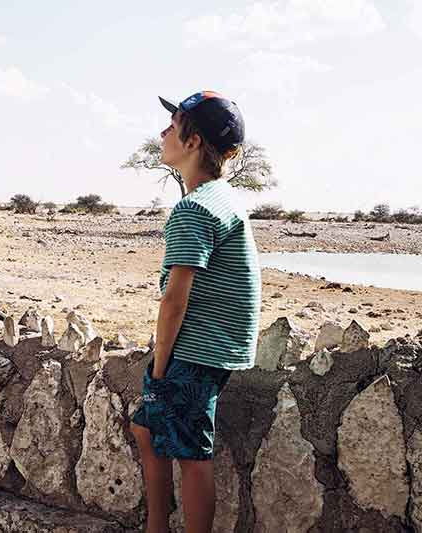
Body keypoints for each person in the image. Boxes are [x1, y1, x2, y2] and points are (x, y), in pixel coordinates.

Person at [129, 91, 260, 533]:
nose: (162, 133)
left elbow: (174, 301)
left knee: (191, 454)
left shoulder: (193, 208)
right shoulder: (223, 197)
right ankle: (156, 526)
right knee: (147, 429)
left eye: (172, 127)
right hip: (218, 344)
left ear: (193, 142)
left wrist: (159, 366)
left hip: (198, 348)